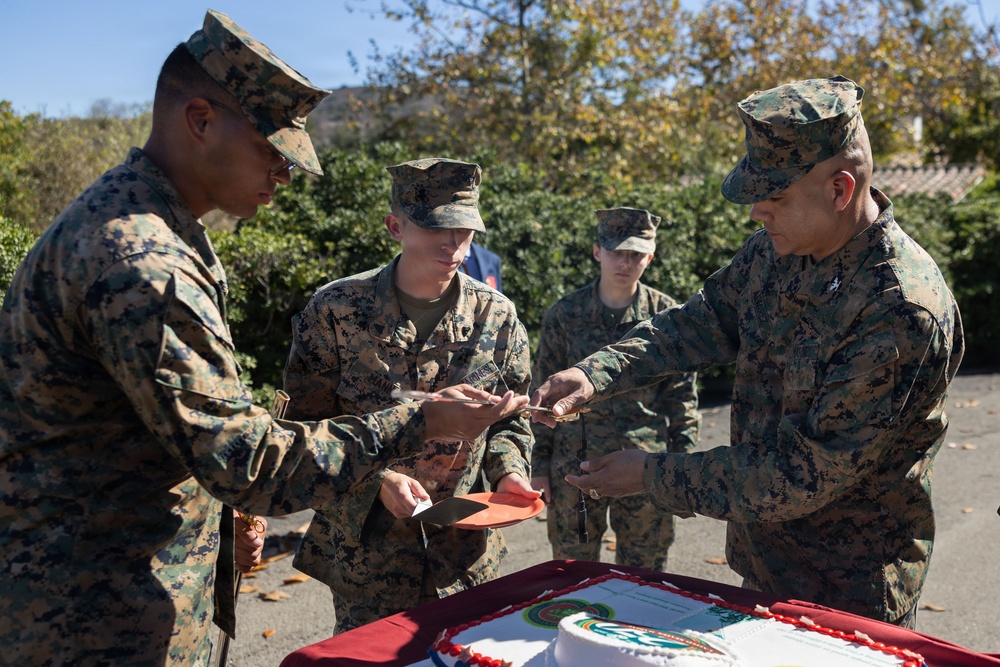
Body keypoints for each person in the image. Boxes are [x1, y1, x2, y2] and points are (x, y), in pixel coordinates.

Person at [0, 12, 527, 666]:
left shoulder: (135, 229)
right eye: (271, 148)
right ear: (200, 119)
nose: (285, 171)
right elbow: (250, 464)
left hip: (107, 600)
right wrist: (420, 418)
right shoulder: (143, 263)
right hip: (95, 622)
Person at [531, 76, 964, 628]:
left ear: (840, 189)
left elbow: (802, 473)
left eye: (775, 196)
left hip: (847, 593)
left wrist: (651, 475)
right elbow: (698, 321)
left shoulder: (900, 309)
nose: (757, 212)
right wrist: (595, 373)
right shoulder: (778, 248)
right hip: (766, 566)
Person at [282, 157, 538, 632]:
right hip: (368, 555)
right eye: (437, 229)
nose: (454, 245)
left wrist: (510, 474)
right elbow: (303, 429)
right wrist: (375, 479)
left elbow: (509, 419)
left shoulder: (497, 316)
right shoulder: (336, 310)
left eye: (465, 231)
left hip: (463, 558)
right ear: (395, 226)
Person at [530, 207, 700, 569]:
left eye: (636, 254)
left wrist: (680, 470)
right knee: (572, 574)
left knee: (643, 575)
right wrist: (538, 467)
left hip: (644, 465)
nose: (625, 262)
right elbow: (542, 395)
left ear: (650, 257)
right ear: (597, 252)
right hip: (576, 466)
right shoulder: (565, 315)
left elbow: (682, 400)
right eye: (616, 252)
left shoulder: (666, 317)